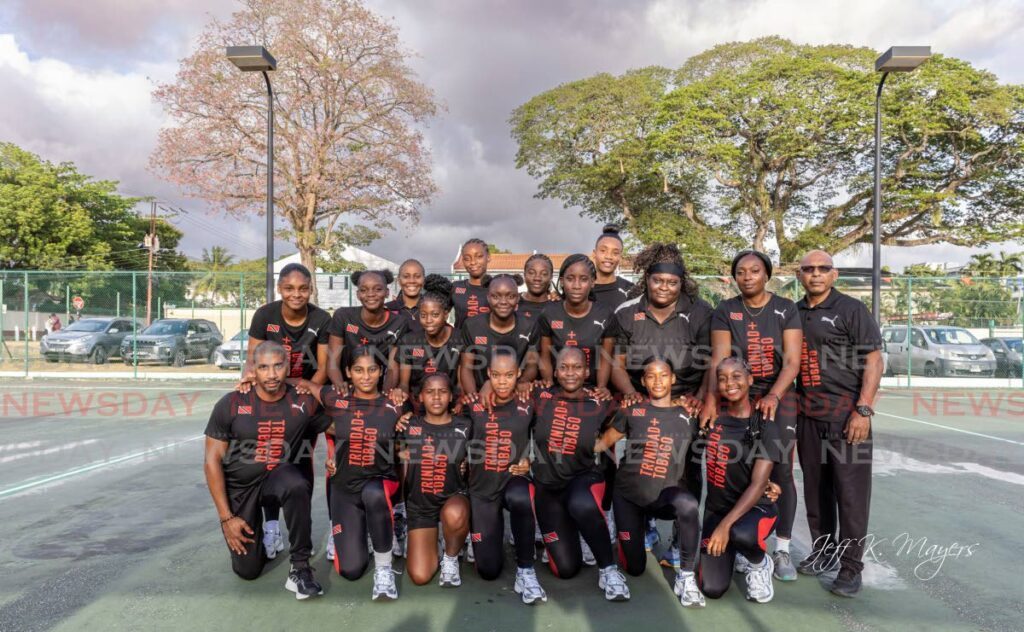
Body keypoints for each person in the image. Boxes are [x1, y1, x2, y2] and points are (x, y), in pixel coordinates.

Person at [610, 243, 712, 566]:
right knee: (641, 463)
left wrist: (699, 396)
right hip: (646, 397)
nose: (664, 288)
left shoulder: (700, 312)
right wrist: (631, 391)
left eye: (672, 282)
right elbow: (616, 362)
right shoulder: (628, 312)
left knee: (686, 469)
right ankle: (643, 524)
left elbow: (711, 363)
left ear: (681, 283)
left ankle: (682, 542)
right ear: (647, 279)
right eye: (658, 281)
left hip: (685, 402)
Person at [203, 341, 330, 599]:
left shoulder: (302, 401)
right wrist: (226, 518)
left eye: (278, 366)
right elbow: (211, 461)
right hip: (241, 488)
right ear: (253, 370)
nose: (271, 375)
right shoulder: (231, 403)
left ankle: (301, 568)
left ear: (288, 367)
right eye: (263, 367)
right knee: (247, 571)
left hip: (277, 479)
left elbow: (343, 424)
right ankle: (259, 535)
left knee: (295, 482)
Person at [704, 250, 803, 581]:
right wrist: (710, 399)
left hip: (778, 392)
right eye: (741, 272)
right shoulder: (726, 310)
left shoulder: (785, 308)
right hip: (738, 390)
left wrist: (774, 394)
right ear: (735, 277)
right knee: (734, 462)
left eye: (755, 271)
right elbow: (720, 361)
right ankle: (738, 530)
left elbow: (792, 362)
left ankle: (782, 547)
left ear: (767, 275)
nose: (748, 276)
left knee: (782, 470)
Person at [795, 250, 882, 598]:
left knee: (850, 496)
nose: (816, 274)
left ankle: (851, 568)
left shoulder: (852, 310)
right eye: (809, 269)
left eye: (823, 269)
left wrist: (863, 410)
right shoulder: (793, 312)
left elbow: (874, 361)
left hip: (847, 416)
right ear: (800, 275)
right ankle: (824, 552)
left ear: (834, 274)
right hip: (807, 416)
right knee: (816, 491)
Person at [242, 263, 332, 561]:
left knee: (299, 459)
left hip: (302, 396)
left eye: (303, 288)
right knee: (269, 458)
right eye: (290, 288)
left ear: (310, 289)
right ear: (281, 288)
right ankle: (271, 526)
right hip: (269, 393)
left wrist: (303, 392)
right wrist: (251, 383)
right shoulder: (265, 315)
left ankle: (301, 532)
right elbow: (254, 361)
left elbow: (322, 370)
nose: (297, 294)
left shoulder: (321, 318)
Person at [596, 357, 703, 607]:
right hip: (629, 496)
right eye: (651, 376)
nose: (658, 381)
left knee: (687, 505)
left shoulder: (689, 414)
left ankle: (686, 577)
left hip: (665, 496)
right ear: (643, 381)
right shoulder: (632, 411)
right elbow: (602, 444)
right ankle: (635, 529)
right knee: (634, 568)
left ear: (673, 378)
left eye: (664, 375)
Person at [299, 347, 403, 600]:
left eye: (372, 370)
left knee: (373, 492)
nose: (365, 376)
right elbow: (302, 385)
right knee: (350, 570)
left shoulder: (396, 402)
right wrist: (251, 378)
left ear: (381, 372)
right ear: (347, 372)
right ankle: (364, 530)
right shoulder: (335, 398)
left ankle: (384, 569)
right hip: (345, 487)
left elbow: (412, 442)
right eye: (358, 370)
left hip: (381, 483)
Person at [531, 347, 630, 601]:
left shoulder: (600, 401)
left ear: (587, 371)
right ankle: (570, 534)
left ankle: (608, 569)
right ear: (555, 371)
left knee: (579, 502)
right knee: (565, 569)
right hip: (547, 487)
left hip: (582, 478)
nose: (570, 373)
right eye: (564, 367)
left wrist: (598, 445)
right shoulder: (540, 396)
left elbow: (627, 419)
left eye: (577, 367)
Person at [698, 356, 783, 604]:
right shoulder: (711, 419)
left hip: (756, 509)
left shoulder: (764, 425)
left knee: (740, 533)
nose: (729, 383)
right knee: (711, 588)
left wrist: (724, 528)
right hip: (717, 509)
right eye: (722, 379)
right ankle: (735, 551)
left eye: (736, 376)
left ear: (750, 379)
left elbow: (759, 484)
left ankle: (758, 562)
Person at [466, 349, 547, 604]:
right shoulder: (473, 403)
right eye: (497, 375)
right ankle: (483, 537)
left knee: (522, 496)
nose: (503, 381)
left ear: (518, 375)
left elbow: (550, 437)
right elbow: (443, 426)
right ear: (488, 374)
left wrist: (531, 461)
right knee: (488, 571)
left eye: (509, 375)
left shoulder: (529, 401)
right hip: (482, 486)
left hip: (514, 478)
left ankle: (526, 570)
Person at [399, 374, 472, 587]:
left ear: (451, 396)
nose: (437, 397)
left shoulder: (465, 426)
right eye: (430, 392)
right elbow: (387, 452)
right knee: (420, 576)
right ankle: (436, 542)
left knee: (455, 513)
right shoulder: (408, 425)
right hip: (420, 506)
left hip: (453, 497)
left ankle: (451, 558)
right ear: (420, 397)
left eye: (442, 392)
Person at [327, 270, 411, 394]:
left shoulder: (399, 323)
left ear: (387, 292)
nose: (370, 294)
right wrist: (339, 384)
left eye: (378, 289)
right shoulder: (343, 316)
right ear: (357, 294)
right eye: (364, 290)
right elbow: (332, 361)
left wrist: (385, 394)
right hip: (348, 387)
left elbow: (393, 367)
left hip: (378, 389)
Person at [458, 274, 539, 399]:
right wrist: (474, 399)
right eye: (496, 296)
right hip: (481, 393)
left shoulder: (529, 325)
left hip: (514, 394)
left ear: (518, 298)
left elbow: (532, 365)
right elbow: (466, 368)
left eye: (510, 296)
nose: (503, 302)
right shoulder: (472, 325)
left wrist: (521, 381)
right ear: (488, 298)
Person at [397, 274, 463, 412]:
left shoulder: (460, 339)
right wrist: (400, 393)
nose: (428, 320)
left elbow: (461, 382)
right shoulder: (409, 341)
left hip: (449, 405)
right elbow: (404, 383)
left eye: (435, 315)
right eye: (423, 315)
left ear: (445, 314)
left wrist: (460, 401)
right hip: (417, 405)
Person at [591, 225, 634, 311]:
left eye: (615, 253)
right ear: (594, 254)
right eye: (603, 251)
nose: (609, 256)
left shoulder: (631, 291)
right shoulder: (581, 288)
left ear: (620, 257)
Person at [451, 238, 491, 330]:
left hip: (491, 344)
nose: (473, 262)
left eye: (479, 256)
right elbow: (440, 315)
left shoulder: (497, 288)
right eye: (467, 259)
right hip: (461, 343)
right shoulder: (455, 287)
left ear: (488, 257)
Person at [518, 253, 556, 325]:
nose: (537, 278)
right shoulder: (513, 303)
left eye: (544, 274)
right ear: (524, 275)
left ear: (551, 277)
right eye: (531, 273)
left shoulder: (558, 307)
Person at [385, 259, 425, 324]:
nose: (412, 281)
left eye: (417, 276)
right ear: (399, 280)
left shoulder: (433, 308)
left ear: (423, 280)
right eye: (406, 277)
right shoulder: (386, 310)